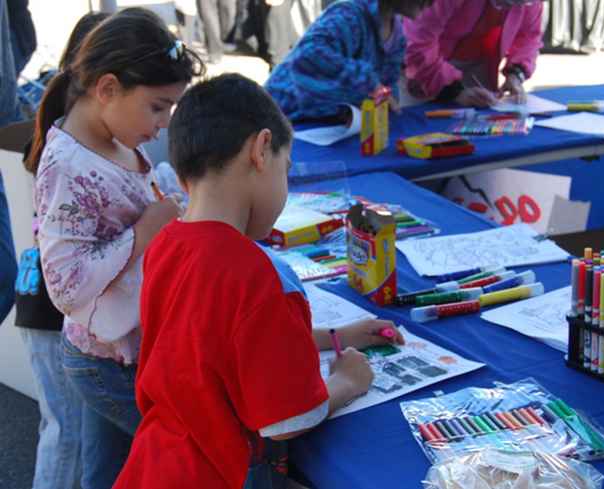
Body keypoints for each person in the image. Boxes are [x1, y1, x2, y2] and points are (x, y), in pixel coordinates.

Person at [112, 73, 403, 489]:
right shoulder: (258, 274)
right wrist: (347, 381)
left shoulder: (167, 244)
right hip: (221, 472)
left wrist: (339, 335)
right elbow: (287, 421)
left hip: (156, 461)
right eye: (285, 170)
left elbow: (215, 343)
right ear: (262, 150)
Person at [26, 8, 204, 489]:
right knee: (187, 448)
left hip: (123, 349)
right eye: (157, 107)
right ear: (106, 89)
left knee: (109, 472)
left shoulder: (115, 139)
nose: (164, 124)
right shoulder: (68, 165)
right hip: (106, 359)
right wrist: (143, 232)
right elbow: (65, 287)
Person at [14, 12, 109, 489]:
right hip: (54, 306)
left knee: (68, 431)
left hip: (40, 295)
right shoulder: (78, 135)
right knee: (67, 433)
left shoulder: (59, 112)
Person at [265, 0, 433, 122]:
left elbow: (387, 87)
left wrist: (386, 104)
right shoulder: (349, 15)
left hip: (326, 122)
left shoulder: (397, 36)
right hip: (282, 116)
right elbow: (309, 55)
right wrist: (369, 83)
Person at [402, 0, 545, 107]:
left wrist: (516, 73)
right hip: (421, 68)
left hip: (479, 63)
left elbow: (529, 36)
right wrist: (452, 90)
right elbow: (417, 42)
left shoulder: (530, 3)